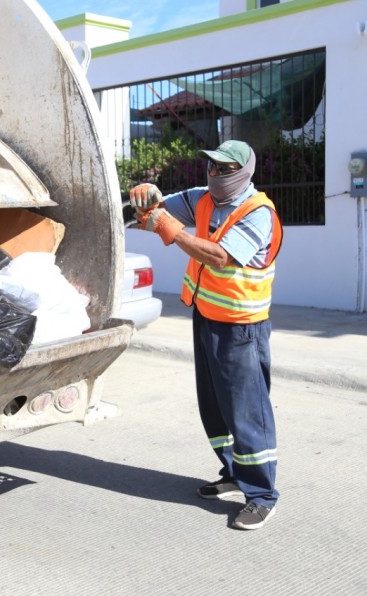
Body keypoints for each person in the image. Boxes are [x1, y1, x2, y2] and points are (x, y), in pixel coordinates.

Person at [129, 140, 283, 531]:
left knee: (247, 409)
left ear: (244, 171)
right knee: (214, 404)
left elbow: (217, 256)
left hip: (241, 324)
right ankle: (234, 472)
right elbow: (160, 206)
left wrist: (168, 229)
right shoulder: (203, 199)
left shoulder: (257, 213)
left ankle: (262, 495)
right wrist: (146, 196)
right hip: (207, 316)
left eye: (225, 168)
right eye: (211, 166)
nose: (215, 174)